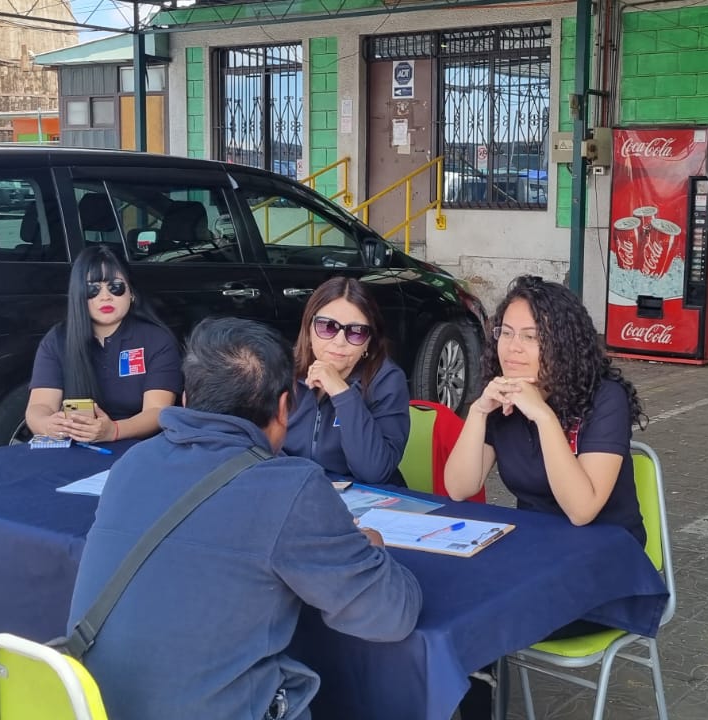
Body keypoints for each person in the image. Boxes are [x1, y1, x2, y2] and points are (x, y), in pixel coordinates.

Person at [67, 317, 422, 720]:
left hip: (92, 708)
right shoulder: (289, 486)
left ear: (185, 399)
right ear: (285, 409)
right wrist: (371, 547)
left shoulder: (134, 463)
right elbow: (390, 614)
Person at [442, 276, 648, 719]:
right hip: (534, 557)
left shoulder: (603, 400)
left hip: (609, 570)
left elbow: (582, 508)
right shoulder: (502, 397)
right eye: (507, 334)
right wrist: (478, 411)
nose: (513, 348)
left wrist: (543, 414)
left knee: (476, 614)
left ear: (562, 344)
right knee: (449, 598)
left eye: (532, 338)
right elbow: (459, 487)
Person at [25, 245, 181, 443]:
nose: (105, 296)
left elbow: (158, 411)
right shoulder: (57, 340)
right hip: (79, 447)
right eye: (93, 289)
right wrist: (47, 425)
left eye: (116, 287)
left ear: (131, 292)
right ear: (78, 295)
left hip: (140, 448)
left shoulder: (156, 339)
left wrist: (113, 431)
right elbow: (39, 407)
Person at [283, 276, 411, 485]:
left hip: (366, 500)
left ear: (369, 341)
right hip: (297, 493)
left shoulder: (387, 380)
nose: (340, 341)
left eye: (356, 332)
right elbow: (258, 447)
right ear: (308, 328)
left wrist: (342, 394)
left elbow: (374, 471)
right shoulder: (283, 370)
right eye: (327, 327)